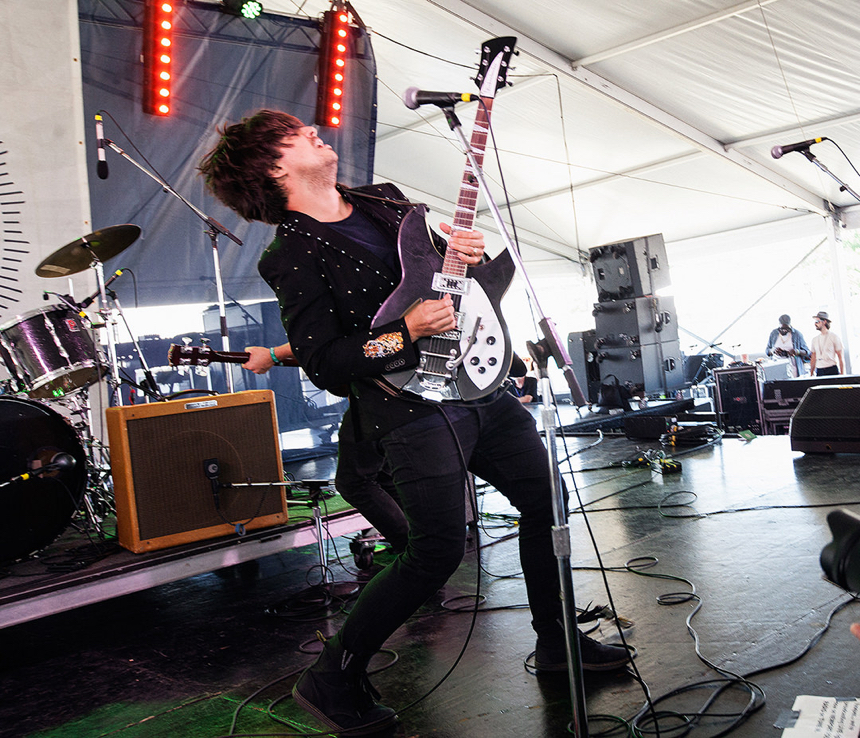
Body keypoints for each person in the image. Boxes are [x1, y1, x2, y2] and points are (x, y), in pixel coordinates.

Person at [199, 110, 630, 734]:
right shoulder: (290, 255)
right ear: (272, 165)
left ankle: (558, 640)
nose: (316, 132)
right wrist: (403, 334)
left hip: (477, 386)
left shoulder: (385, 202)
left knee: (547, 502)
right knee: (435, 552)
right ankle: (331, 675)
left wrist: (468, 258)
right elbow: (324, 362)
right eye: (297, 134)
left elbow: (444, 286)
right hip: (406, 407)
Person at [243, 343, 409, 554]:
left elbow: (324, 340)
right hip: (393, 392)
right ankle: (420, 546)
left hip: (375, 398)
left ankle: (414, 552)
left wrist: (273, 355)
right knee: (383, 476)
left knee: (354, 482)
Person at [810, 311, 845, 376]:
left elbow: (840, 357)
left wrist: (842, 374)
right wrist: (811, 374)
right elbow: (813, 358)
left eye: (817, 321)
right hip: (819, 370)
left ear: (824, 322)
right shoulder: (814, 339)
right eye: (815, 322)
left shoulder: (834, 337)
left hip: (831, 369)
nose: (815, 324)